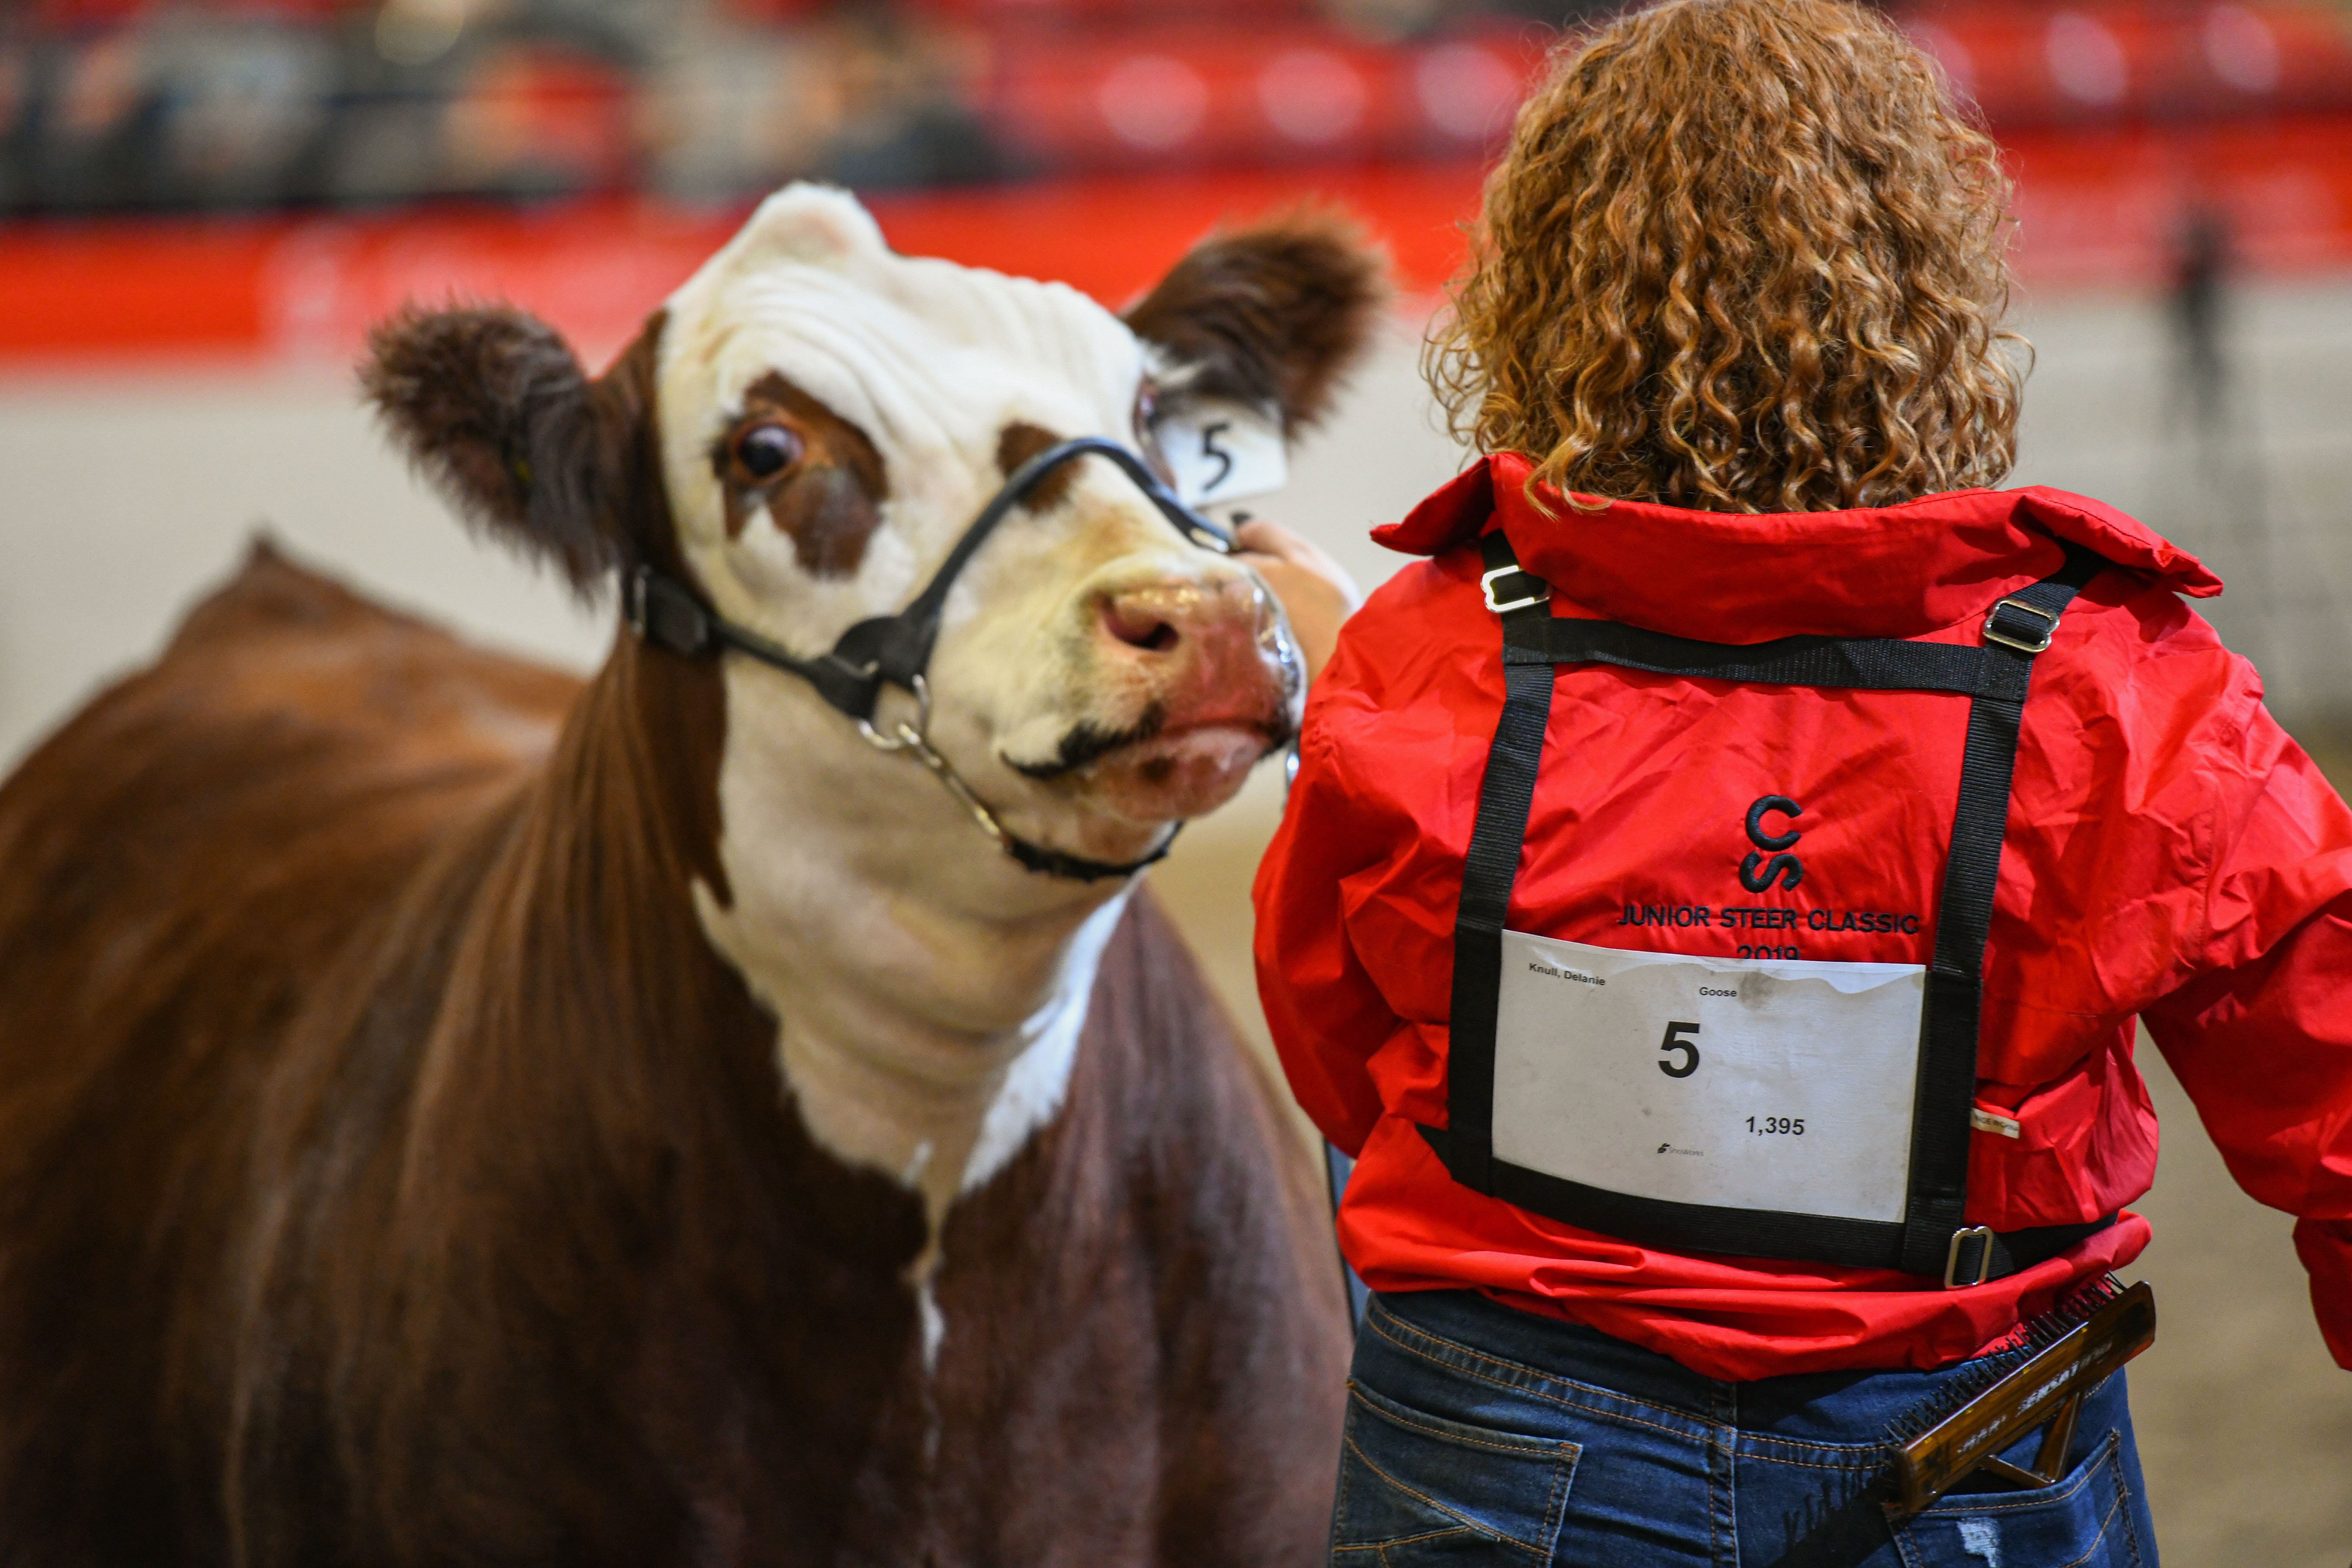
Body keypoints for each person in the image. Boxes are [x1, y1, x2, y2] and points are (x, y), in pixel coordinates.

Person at [1248, 1, 2352, 1564]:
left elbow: (1334, 1049)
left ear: (1542, 288)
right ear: (1924, 284)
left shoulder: (1427, 648)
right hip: (1963, 1450)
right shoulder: (2110, 679)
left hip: (1501, 1434)